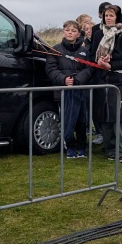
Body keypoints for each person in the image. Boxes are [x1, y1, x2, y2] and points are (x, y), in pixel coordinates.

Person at [90, 4, 122, 162]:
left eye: (111, 15)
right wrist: (100, 61)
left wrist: (112, 64)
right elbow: (92, 55)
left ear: (117, 17)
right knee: (104, 116)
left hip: (120, 82)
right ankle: (110, 150)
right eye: (106, 15)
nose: (108, 18)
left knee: (120, 117)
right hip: (102, 80)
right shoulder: (97, 34)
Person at [45, 20, 94, 159]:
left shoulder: (85, 51)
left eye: (73, 30)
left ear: (78, 33)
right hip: (64, 92)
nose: (70, 33)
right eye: (67, 30)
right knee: (67, 119)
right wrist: (63, 79)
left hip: (81, 91)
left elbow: (90, 69)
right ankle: (69, 145)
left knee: (82, 121)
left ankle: (81, 146)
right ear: (63, 32)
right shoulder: (55, 50)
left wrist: (79, 79)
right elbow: (51, 69)